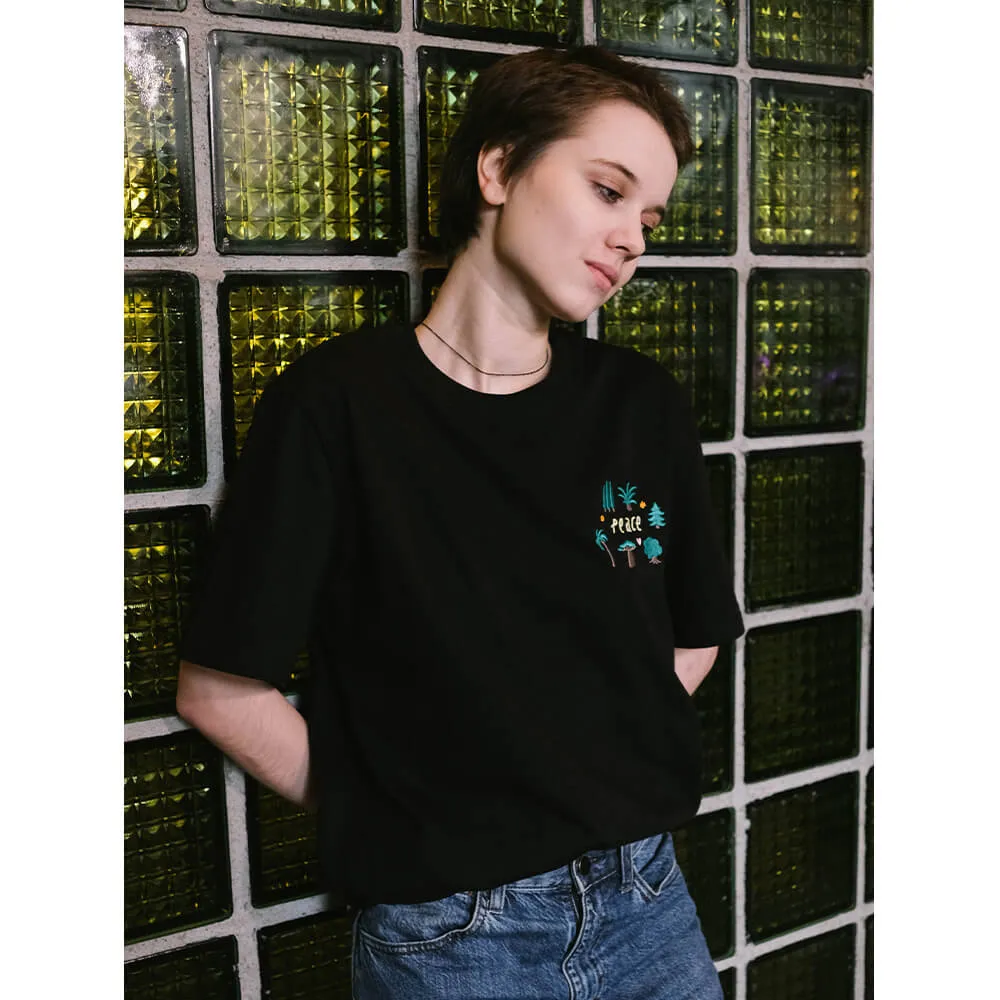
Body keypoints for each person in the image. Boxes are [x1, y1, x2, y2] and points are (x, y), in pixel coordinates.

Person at [177, 44, 744, 1000]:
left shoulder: (639, 404)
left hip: (648, 903)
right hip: (451, 937)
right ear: (499, 167)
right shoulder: (337, 404)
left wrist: (586, 768)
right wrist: (399, 815)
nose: (633, 241)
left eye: (649, 219)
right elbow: (220, 692)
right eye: (608, 191)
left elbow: (693, 636)